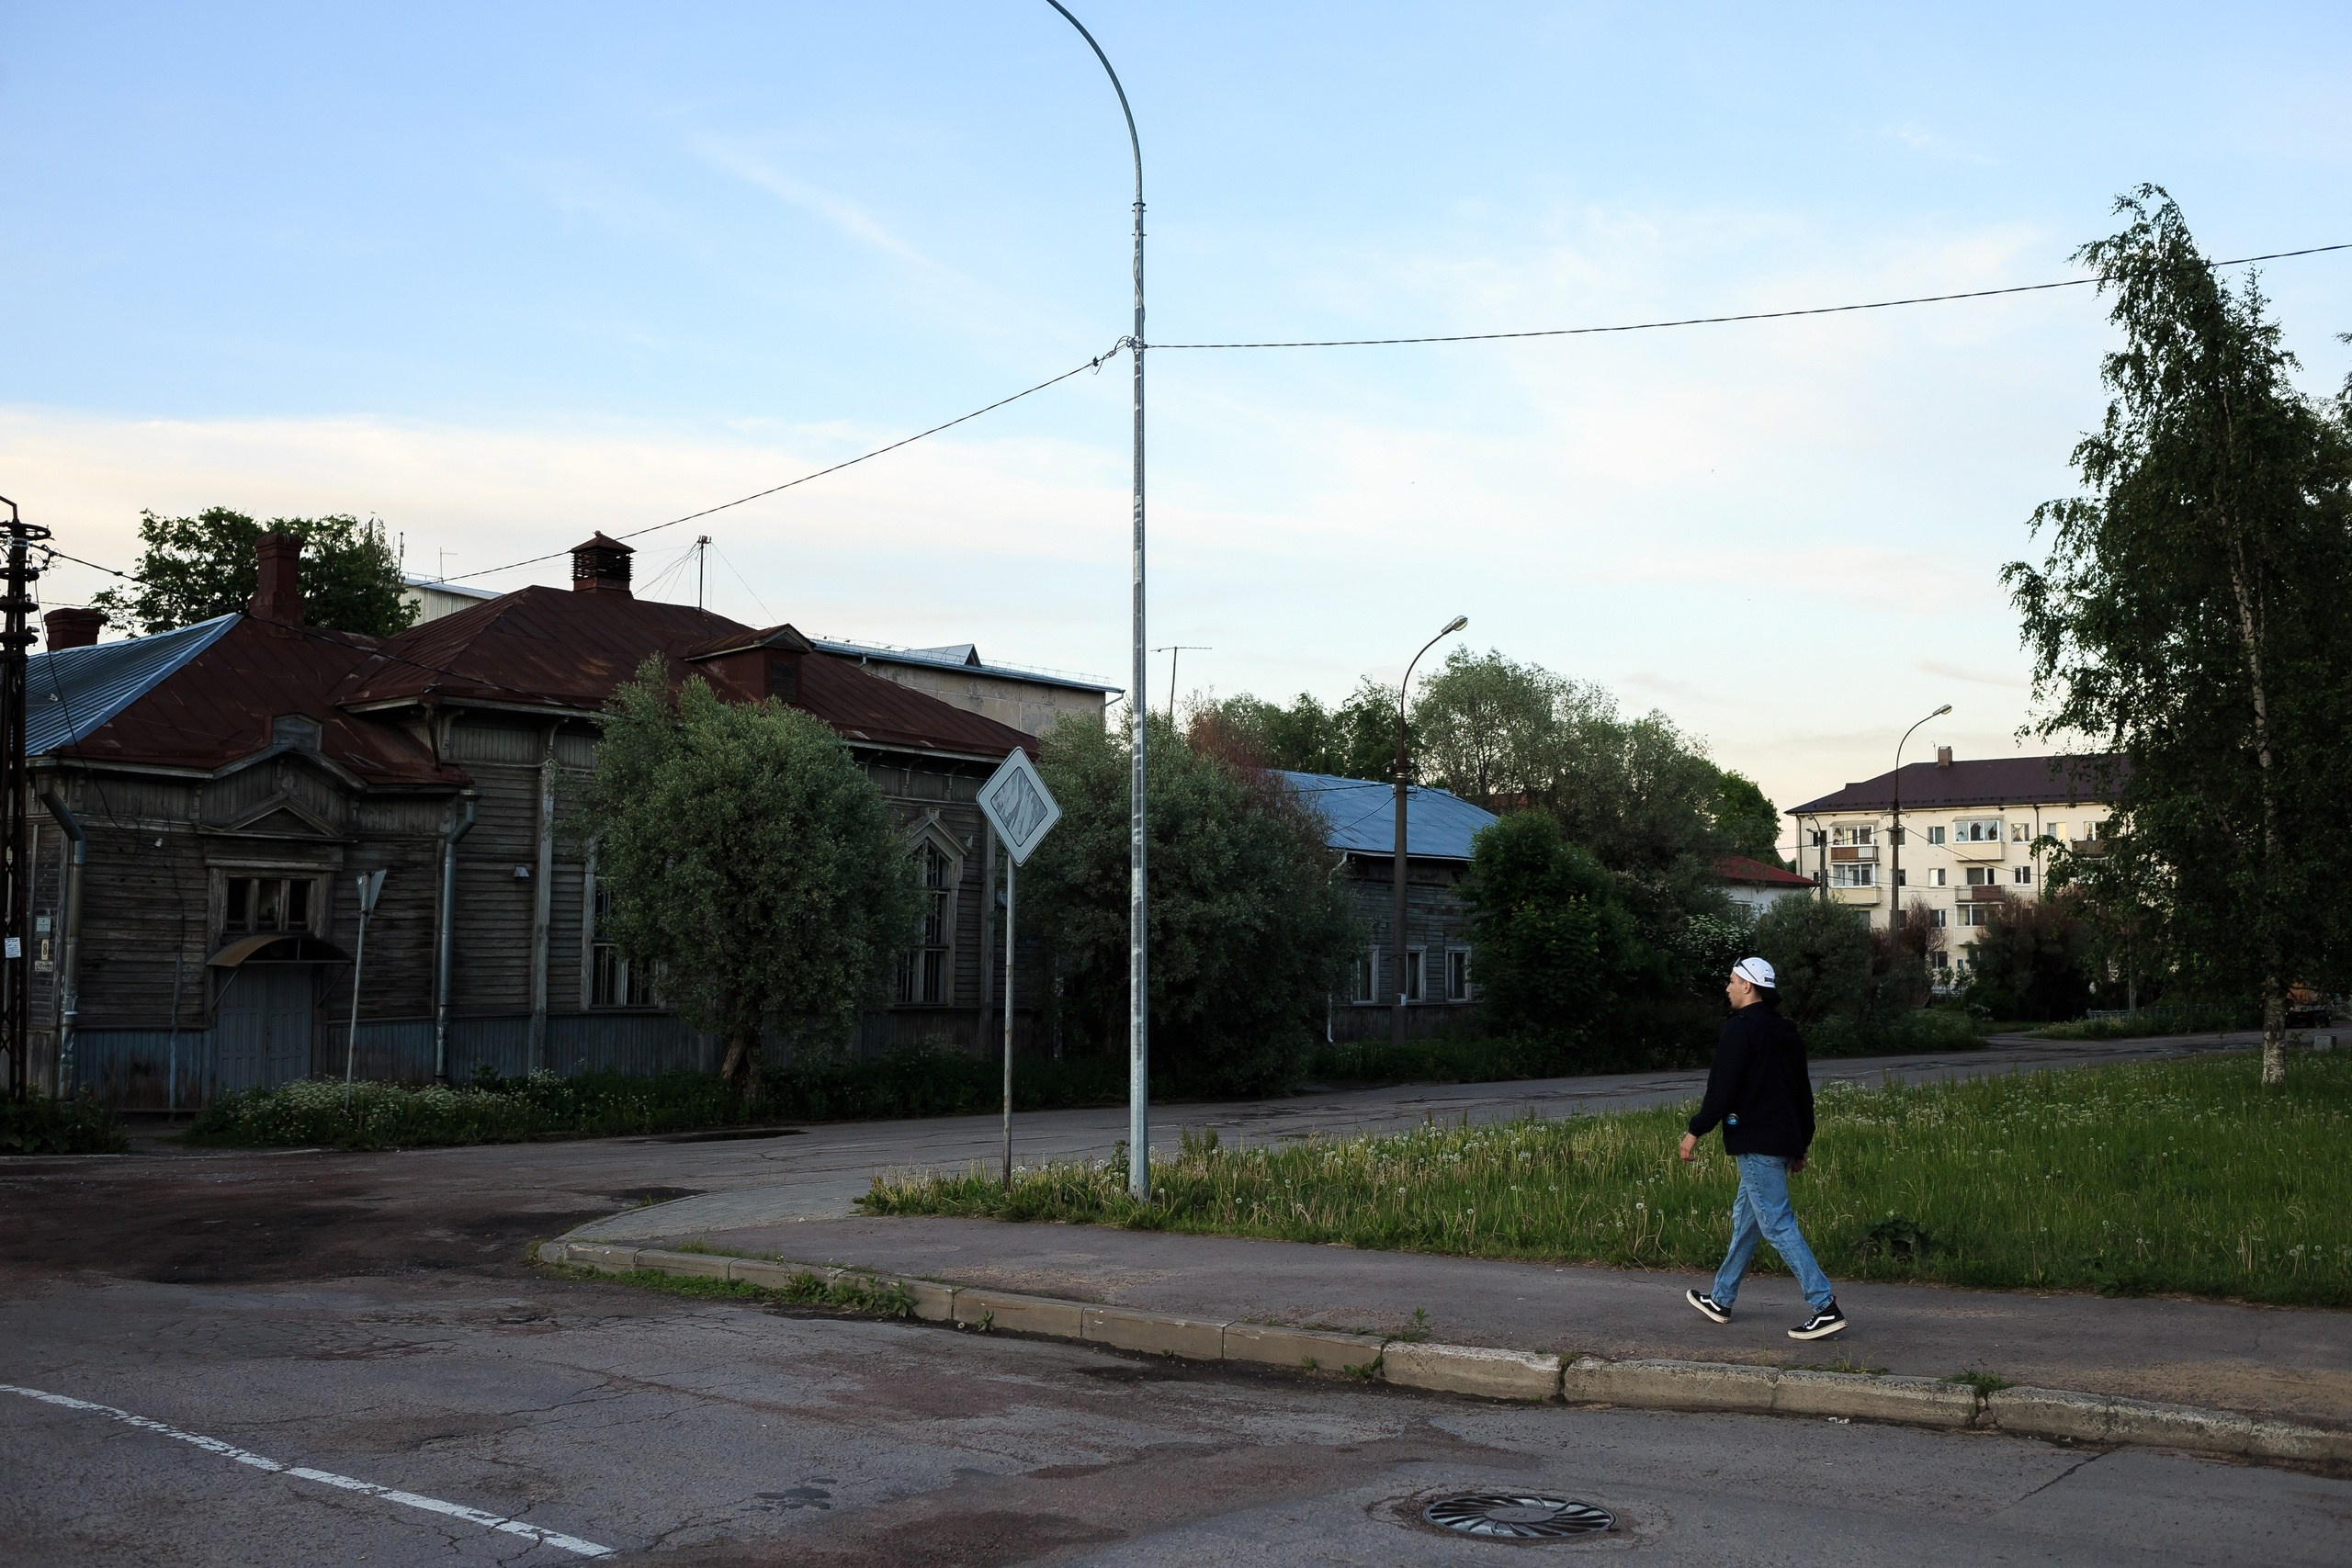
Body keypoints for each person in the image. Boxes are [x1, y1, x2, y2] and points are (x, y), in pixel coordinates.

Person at [1679, 955, 1847, 1340]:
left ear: (1748, 987)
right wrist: (1801, 1143)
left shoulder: (1739, 1029)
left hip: (1757, 1141)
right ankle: (1721, 1298)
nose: (1728, 988)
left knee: (1776, 1222)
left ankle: (1824, 1305)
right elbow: (1802, 1093)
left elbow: (1722, 1089)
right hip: (1782, 1139)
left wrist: (1694, 1131)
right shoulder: (1785, 1030)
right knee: (1748, 1222)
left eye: (1732, 981)